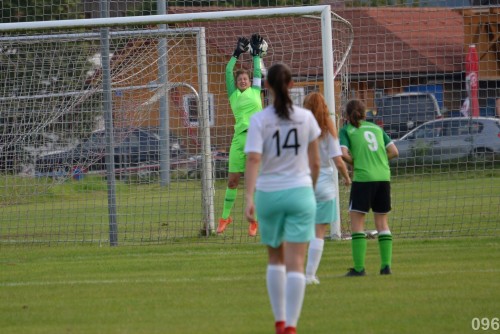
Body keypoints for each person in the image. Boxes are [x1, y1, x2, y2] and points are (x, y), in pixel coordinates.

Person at [244, 63, 321, 334]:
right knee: (296, 263)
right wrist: (308, 191)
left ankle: (279, 322)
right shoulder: (307, 118)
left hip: (269, 194)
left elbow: (254, 158)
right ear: (290, 85)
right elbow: (315, 165)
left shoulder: (259, 120)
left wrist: (248, 197)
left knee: (275, 259)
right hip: (300, 192)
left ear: (266, 87)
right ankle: (291, 326)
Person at [339, 99, 399, 276]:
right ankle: (386, 266)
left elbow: (342, 154)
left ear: (347, 116)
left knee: (357, 223)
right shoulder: (377, 129)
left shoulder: (346, 130)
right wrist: (378, 161)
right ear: (365, 114)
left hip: (364, 179)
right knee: (382, 222)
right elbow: (394, 152)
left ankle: (359, 268)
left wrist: (355, 163)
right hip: (383, 177)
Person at [217, 34, 265, 237]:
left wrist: (255, 54)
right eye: (240, 79)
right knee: (233, 181)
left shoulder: (256, 90)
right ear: (236, 83)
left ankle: (255, 221)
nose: (243, 80)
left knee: (256, 182)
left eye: (245, 78)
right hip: (239, 140)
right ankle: (225, 218)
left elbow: (256, 71)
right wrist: (236, 53)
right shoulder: (233, 95)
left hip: (257, 138)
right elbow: (228, 70)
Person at [302, 92, 351, 285]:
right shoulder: (329, 130)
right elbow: (338, 161)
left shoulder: (300, 129)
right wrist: (347, 177)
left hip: (303, 183)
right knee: (318, 232)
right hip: (323, 185)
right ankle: (309, 275)